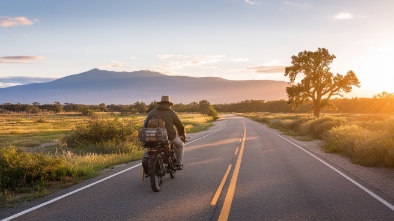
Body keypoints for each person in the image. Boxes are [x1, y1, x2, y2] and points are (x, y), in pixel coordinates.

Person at [143, 96, 186, 170]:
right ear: (169, 104)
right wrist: (181, 134)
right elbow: (180, 125)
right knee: (180, 145)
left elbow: (145, 125)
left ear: (160, 103)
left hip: (154, 137)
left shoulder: (153, 112)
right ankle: (179, 164)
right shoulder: (172, 112)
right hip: (169, 137)